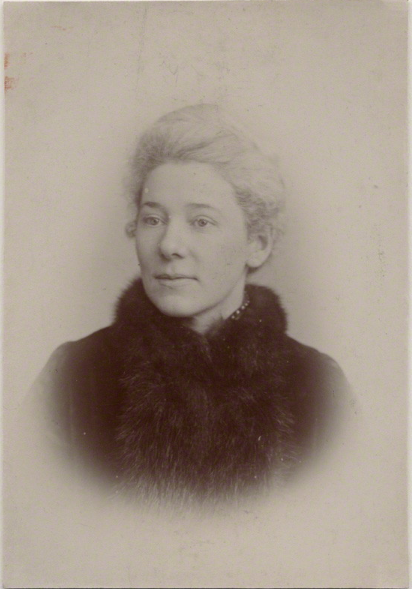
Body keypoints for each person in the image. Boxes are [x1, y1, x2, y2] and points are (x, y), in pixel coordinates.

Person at [33, 104, 350, 503]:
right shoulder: (74, 375)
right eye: (153, 219)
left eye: (201, 222)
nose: (169, 245)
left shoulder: (318, 385)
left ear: (257, 243)